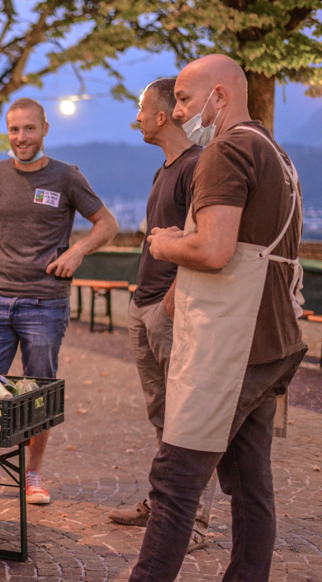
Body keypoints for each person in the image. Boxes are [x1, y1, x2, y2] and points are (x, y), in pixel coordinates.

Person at [129, 54, 306, 582]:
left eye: (184, 98)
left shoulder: (226, 151)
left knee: (175, 479)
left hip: (232, 346)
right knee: (250, 482)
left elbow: (214, 249)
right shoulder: (276, 153)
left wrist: (164, 244)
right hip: (275, 340)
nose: (179, 112)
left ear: (221, 96)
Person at [0, 97, 118, 505]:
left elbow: (108, 223)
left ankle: (32, 474)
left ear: (45, 129)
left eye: (29, 129)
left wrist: (77, 252)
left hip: (45, 304)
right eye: (14, 130)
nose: (21, 138)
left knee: (40, 394)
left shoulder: (67, 177)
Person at [107, 78, 214, 552]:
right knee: (161, 415)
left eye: (142, 108)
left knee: (187, 418)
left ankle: (193, 522)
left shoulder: (197, 167)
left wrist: (172, 296)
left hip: (169, 309)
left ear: (164, 114)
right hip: (144, 304)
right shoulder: (163, 169)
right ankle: (164, 502)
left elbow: (204, 240)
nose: (137, 116)